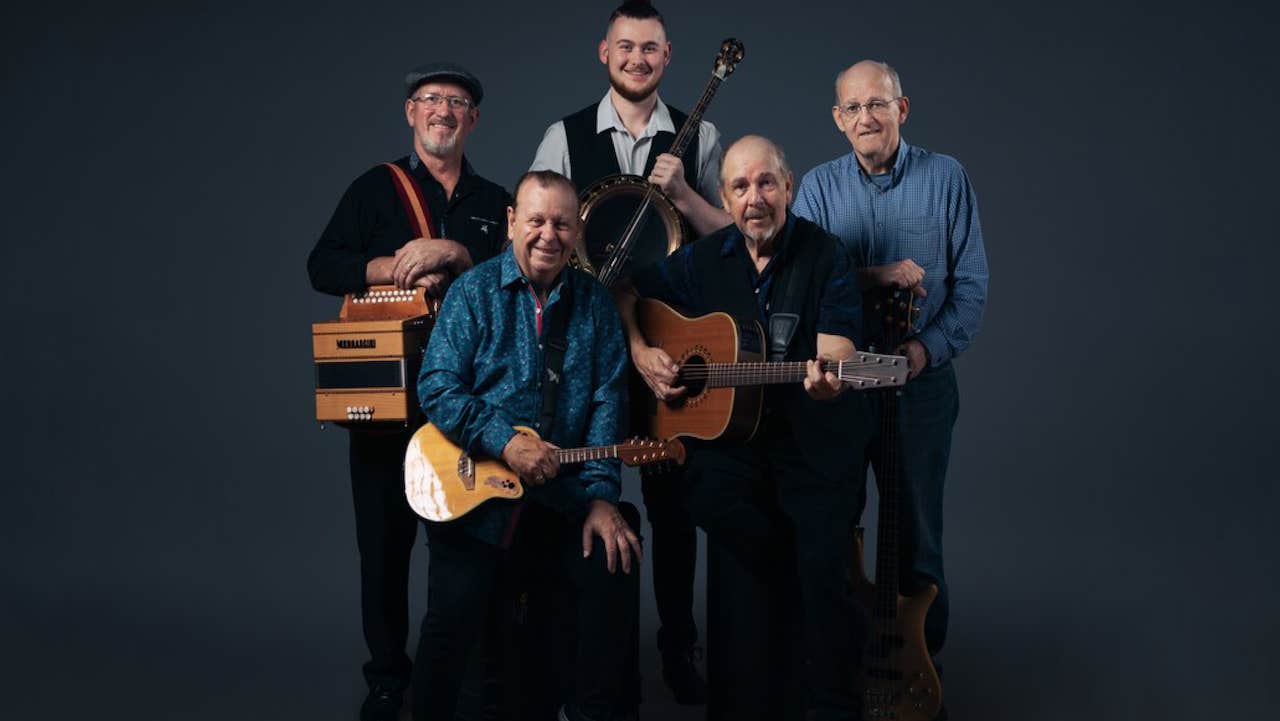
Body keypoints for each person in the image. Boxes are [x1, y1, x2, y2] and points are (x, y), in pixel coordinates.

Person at [620, 135, 871, 721]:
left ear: (789, 188)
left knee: (821, 570)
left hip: (812, 446)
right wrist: (640, 351)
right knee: (722, 524)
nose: (753, 198)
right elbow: (631, 290)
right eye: (739, 186)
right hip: (737, 447)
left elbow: (836, 353)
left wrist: (826, 379)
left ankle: (829, 703)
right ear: (725, 200)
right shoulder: (705, 260)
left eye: (765, 183)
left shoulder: (825, 256)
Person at [529, 2, 729, 700]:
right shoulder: (564, 136)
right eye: (625, 46)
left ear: (668, 56)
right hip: (587, 355)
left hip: (674, 350)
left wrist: (687, 197)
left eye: (650, 48)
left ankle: (678, 649)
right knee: (575, 496)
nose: (637, 58)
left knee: (676, 512)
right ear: (603, 52)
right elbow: (537, 238)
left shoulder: (699, 138)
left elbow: (730, 247)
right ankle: (575, 664)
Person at [306, 62, 510, 721]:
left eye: (457, 102)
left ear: (473, 119)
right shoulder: (374, 189)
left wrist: (454, 253)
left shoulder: (493, 201)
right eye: (430, 100)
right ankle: (390, 676)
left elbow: (521, 281)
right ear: (410, 112)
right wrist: (384, 265)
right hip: (387, 405)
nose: (443, 110)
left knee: (463, 545)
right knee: (385, 548)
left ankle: (457, 673)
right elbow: (322, 264)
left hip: (470, 401)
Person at [413, 170, 642, 721]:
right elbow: (436, 386)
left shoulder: (595, 305)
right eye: (536, 220)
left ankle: (589, 711)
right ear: (513, 221)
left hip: (557, 498)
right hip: (474, 495)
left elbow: (608, 408)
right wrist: (504, 442)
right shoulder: (473, 293)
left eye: (562, 223)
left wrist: (603, 497)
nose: (548, 235)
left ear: (578, 230)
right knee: (452, 623)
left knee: (614, 556)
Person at [793, 60, 990, 698]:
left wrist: (922, 353)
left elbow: (972, 290)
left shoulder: (947, 177)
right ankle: (845, 666)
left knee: (917, 532)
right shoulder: (819, 187)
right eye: (852, 109)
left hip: (922, 385)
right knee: (837, 527)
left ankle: (916, 673)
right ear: (836, 119)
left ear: (902, 110)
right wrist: (878, 277)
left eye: (877, 105)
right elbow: (809, 284)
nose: (865, 119)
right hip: (843, 387)